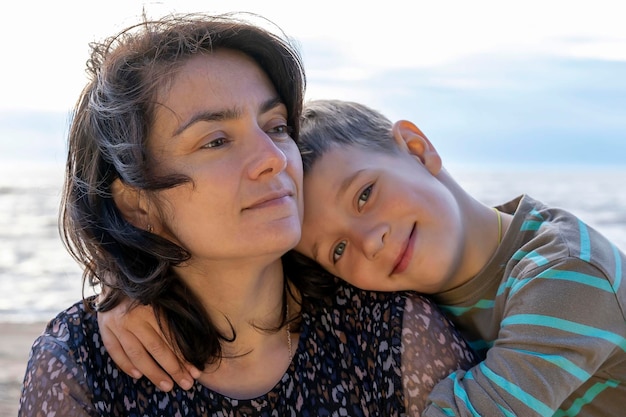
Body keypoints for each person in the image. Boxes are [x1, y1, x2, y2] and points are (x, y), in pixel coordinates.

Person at [18, 13, 476, 416]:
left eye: (276, 126)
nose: (273, 157)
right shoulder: (83, 364)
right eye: (216, 140)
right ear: (138, 205)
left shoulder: (392, 329)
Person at [107, 98, 626, 416]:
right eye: (336, 249)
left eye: (364, 194)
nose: (367, 241)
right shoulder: (402, 285)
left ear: (416, 148)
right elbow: (243, 278)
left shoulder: (568, 276)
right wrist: (129, 293)